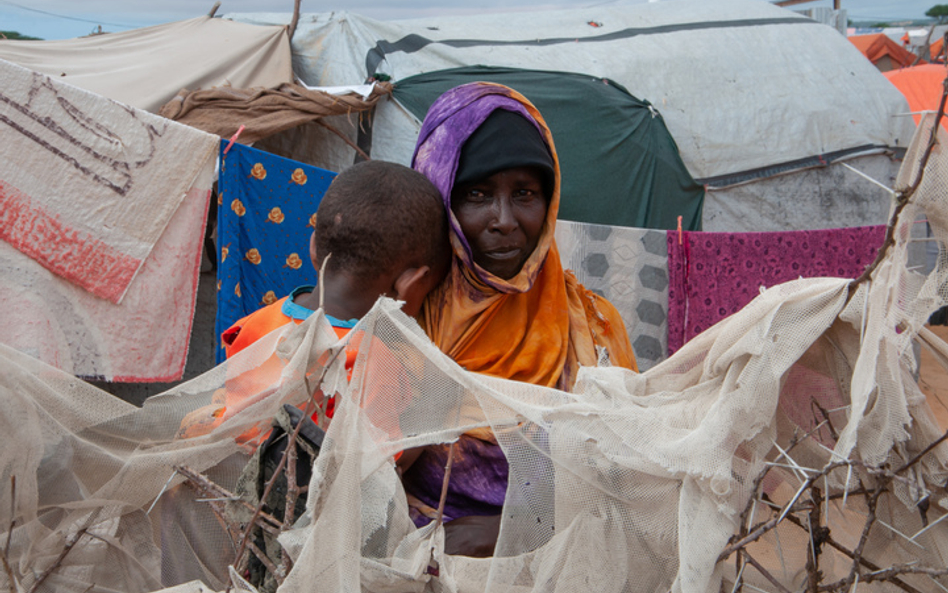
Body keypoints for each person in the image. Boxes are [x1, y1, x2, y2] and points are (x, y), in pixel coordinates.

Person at [402, 82, 638, 556]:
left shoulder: (592, 330)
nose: (504, 219)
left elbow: (628, 480)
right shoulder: (402, 321)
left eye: (525, 193)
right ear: (439, 193)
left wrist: (513, 530)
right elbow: (352, 475)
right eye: (476, 194)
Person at [177, 159, 450, 439]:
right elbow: (378, 461)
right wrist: (432, 416)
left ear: (313, 248)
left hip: (225, 459)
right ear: (411, 285)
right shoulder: (373, 361)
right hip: (289, 481)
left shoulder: (258, 321)